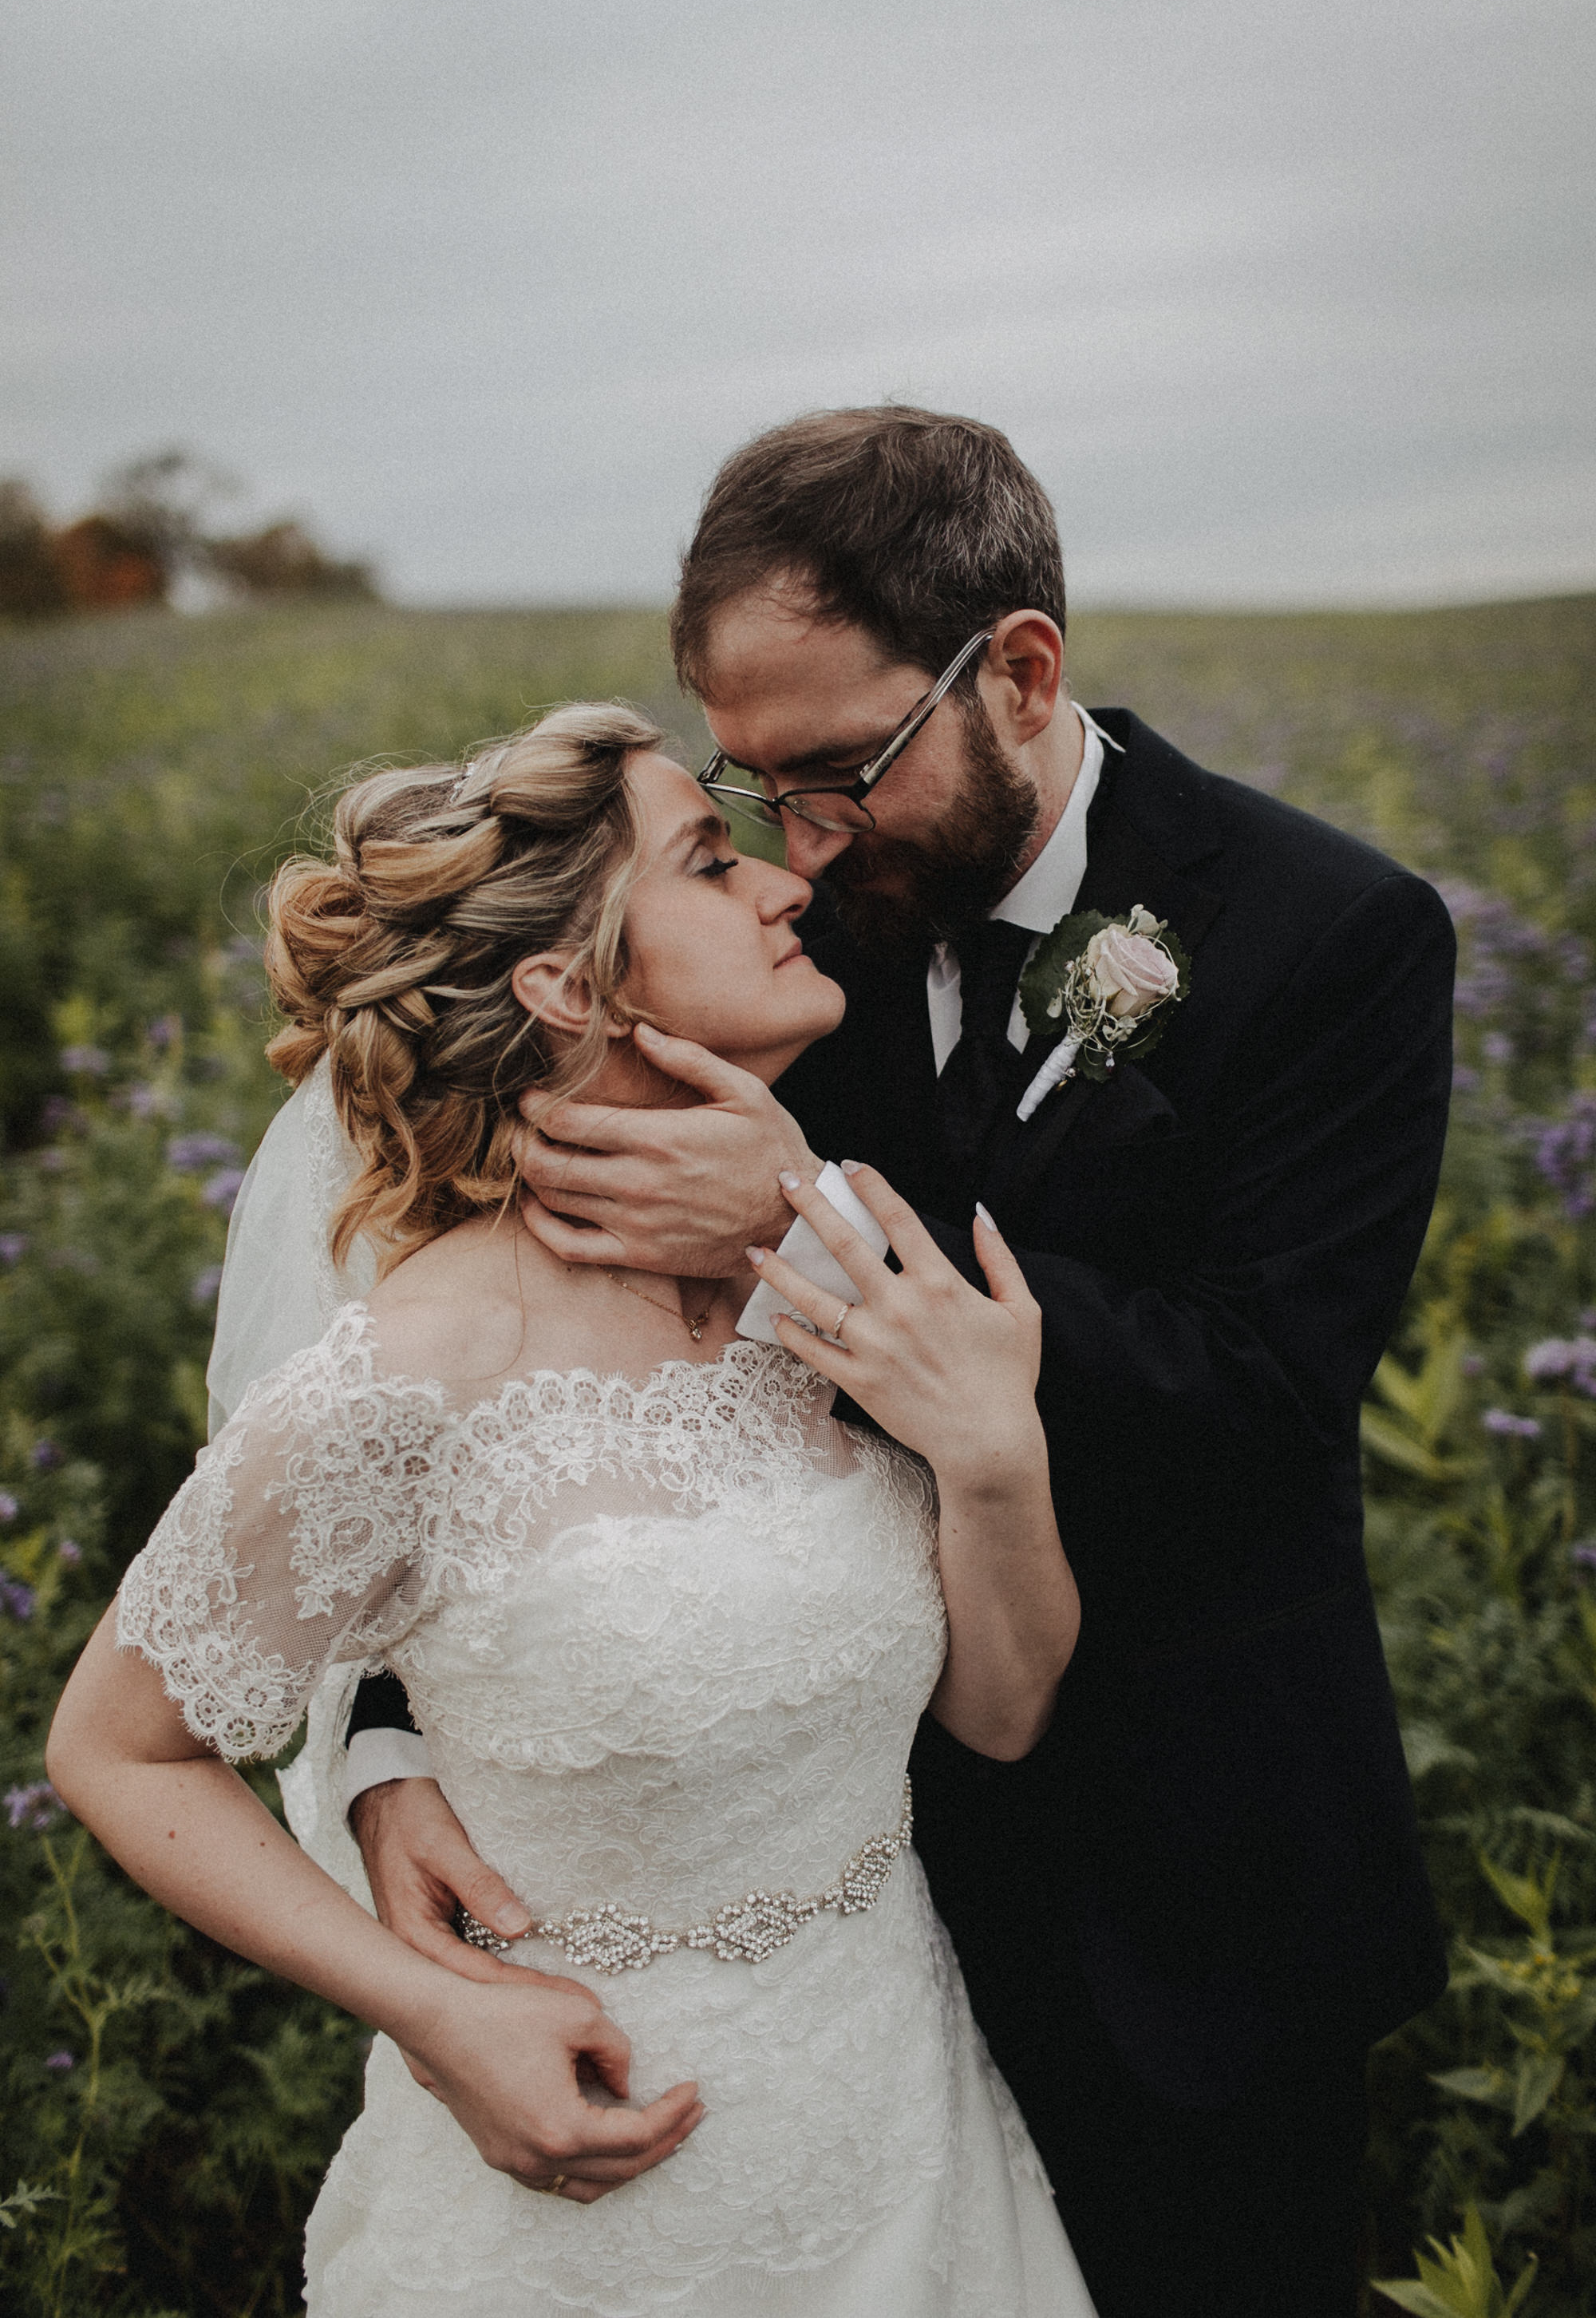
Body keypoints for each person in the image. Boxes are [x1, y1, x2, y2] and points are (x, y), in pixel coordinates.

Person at [345, 409, 1457, 2317]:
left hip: (1196, 1882)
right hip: (840, 1886)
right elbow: (507, 1387)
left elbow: (1258, 1405)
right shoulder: (778, 934)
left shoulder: (1330, 936)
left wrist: (812, 1233)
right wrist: (380, 1736)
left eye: (839, 772)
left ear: (1017, 672)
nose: (797, 842)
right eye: (751, 786)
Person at [47, 703, 1096, 2317]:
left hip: (905, 2126)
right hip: (599, 2188)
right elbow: (114, 1746)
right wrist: (428, 2008)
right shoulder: (412, 1369)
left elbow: (1005, 1710)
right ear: (571, 983)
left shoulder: (820, 1284)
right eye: (704, 857)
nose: (778, 883)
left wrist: (992, 1457)